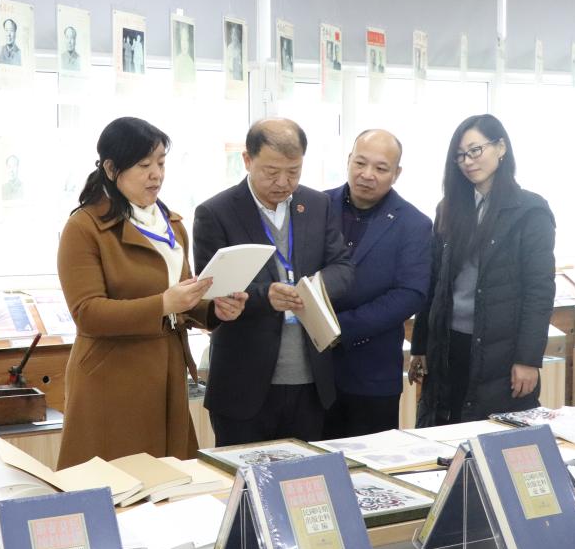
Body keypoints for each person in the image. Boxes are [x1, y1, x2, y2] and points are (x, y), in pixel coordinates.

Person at [56, 117, 247, 468]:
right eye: (144, 166)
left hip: (167, 372)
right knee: (116, 484)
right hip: (112, 378)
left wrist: (213, 310)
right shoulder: (84, 227)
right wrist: (162, 304)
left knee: (170, 480)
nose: (156, 175)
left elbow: (181, 295)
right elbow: (87, 312)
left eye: (161, 163)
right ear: (111, 169)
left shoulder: (171, 223)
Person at [193, 118, 353, 446]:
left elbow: (343, 267)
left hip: (310, 380)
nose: (283, 182)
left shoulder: (317, 205)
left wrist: (314, 288)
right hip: (244, 384)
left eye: (294, 171)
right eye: (271, 171)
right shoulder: (216, 212)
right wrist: (265, 296)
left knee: (305, 474)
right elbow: (212, 289)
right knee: (242, 473)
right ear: (247, 160)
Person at [410, 114, 555, 426]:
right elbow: (434, 282)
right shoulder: (449, 208)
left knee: (493, 433)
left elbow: (540, 290)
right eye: (460, 155)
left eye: (475, 150)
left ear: (500, 147)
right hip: (448, 343)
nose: (467, 161)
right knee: (444, 429)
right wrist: (420, 345)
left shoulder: (530, 211)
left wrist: (528, 359)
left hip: (500, 351)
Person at [322, 130, 432, 438]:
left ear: (396, 173)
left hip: (371, 375)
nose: (367, 174)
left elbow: (410, 294)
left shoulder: (414, 224)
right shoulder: (316, 206)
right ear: (349, 161)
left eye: (381, 168)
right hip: (311, 373)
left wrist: (339, 327)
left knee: (368, 462)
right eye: (360, 163)